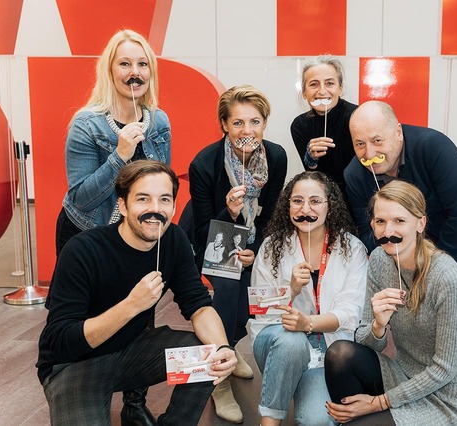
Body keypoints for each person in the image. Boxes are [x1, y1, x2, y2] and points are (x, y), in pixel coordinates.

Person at [36, 160, 237, 426]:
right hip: (74, 364)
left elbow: (199, 305)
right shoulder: (82, 250)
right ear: (123, 205)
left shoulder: (173, 240)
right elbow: (62, 342)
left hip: (131, 352)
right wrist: (131, 305)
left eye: (164, 199)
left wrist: (222, 347)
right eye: (143, 199)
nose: (155, 209)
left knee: (207, 355)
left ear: (174, 206)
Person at [51, 28, 170, 424]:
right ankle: (83, 385)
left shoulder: (158, 120)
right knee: (89, 315)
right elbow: (81, 197)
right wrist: (119, 155)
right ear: (110, 70)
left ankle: (135, 402)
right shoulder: (86, 125)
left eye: (142, 64)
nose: (134, 72)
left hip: (139, 235)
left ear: (150, 72)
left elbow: (161, 183)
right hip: (89, 235)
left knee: (143, 308)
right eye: (125, 64)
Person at [324, 180, 457, 425]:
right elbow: (365, 340)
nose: (388, 231)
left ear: (420, 224)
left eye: (399, 221)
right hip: (402, 374)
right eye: (380, 221)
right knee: (339, 354)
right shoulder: (379, 260)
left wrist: (378, 403)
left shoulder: (447, 277)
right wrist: (378, 326)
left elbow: (445, 369)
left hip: (444, 398)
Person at [188, 85, 288, 423]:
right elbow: (204, 232)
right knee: (229, 289)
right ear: (224, 125)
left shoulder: (276, 157)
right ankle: (219, 380)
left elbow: (271, 215)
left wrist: (254, 251)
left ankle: (228, 348)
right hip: (215, 234)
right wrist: (230, 213)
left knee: (254, 299)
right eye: (238, 123)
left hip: (254, 236)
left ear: (264, 123)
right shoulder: (204, 164)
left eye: (255, 122)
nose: (248, 131)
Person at [249, 171, 368, 426]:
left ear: (329, 206)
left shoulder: (352, 249)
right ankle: (269, 422)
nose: (305, 210)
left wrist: (309, 324)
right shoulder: (271, 247)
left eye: (315, 201)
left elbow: (351, 314)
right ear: (288, 205)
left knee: (318, 421)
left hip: (327, 345)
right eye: (297, 201)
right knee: (291, 341)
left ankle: (295, 385)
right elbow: (259, 309)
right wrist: (290, 290)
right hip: (276, 338)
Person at [343, 100, 457, 275]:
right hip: (405, 247)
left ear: (398, 132)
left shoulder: (433, 146)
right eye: (360, 144)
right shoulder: (354, 175)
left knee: (438, 286)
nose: (369, 154)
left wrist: (431, 269)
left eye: (377, 141)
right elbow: (367, 234)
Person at [291, 55, 358, 194]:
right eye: (313, 84)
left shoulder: (358, 116)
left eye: (329, 83)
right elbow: (312, 175)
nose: (322, 91)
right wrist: (311, 159)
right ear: (304, 92)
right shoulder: (300, 125)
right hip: (324, 196)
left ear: (340, 88)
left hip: (358, 194)